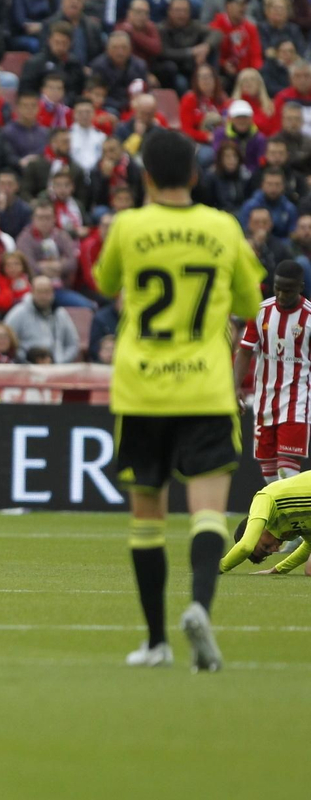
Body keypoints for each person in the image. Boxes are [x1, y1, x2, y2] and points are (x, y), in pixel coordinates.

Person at [95, 128, 263, 671]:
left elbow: (104, 283)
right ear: (195, 175)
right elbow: (249, 301)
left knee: (148, 516)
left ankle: (155, 642)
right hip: (206, 386)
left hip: (142, 387)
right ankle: (199, 607)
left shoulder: (128, 226)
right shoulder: (222, 227)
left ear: (145, 176)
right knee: (208, 512)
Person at [234, 260, 311, 484]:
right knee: (269, 475)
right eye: (277, 288)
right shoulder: (260, 312)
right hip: (265, 401)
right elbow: (245, 352)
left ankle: (290, 516)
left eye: (287, 290)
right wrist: (235, 386)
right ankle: (283, 516)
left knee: (287, 471)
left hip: (298, 403)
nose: (281, 294)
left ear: (300, 287)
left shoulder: (308, 318)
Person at [220, 470, 311, 576]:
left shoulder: (264, 498)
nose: (276, 549)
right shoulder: (288, 526)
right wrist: (278, 570)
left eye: (266, 546)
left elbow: (245, 547)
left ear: (258, 531)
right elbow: (309, 545)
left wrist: (218, 567)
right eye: (270, 551)